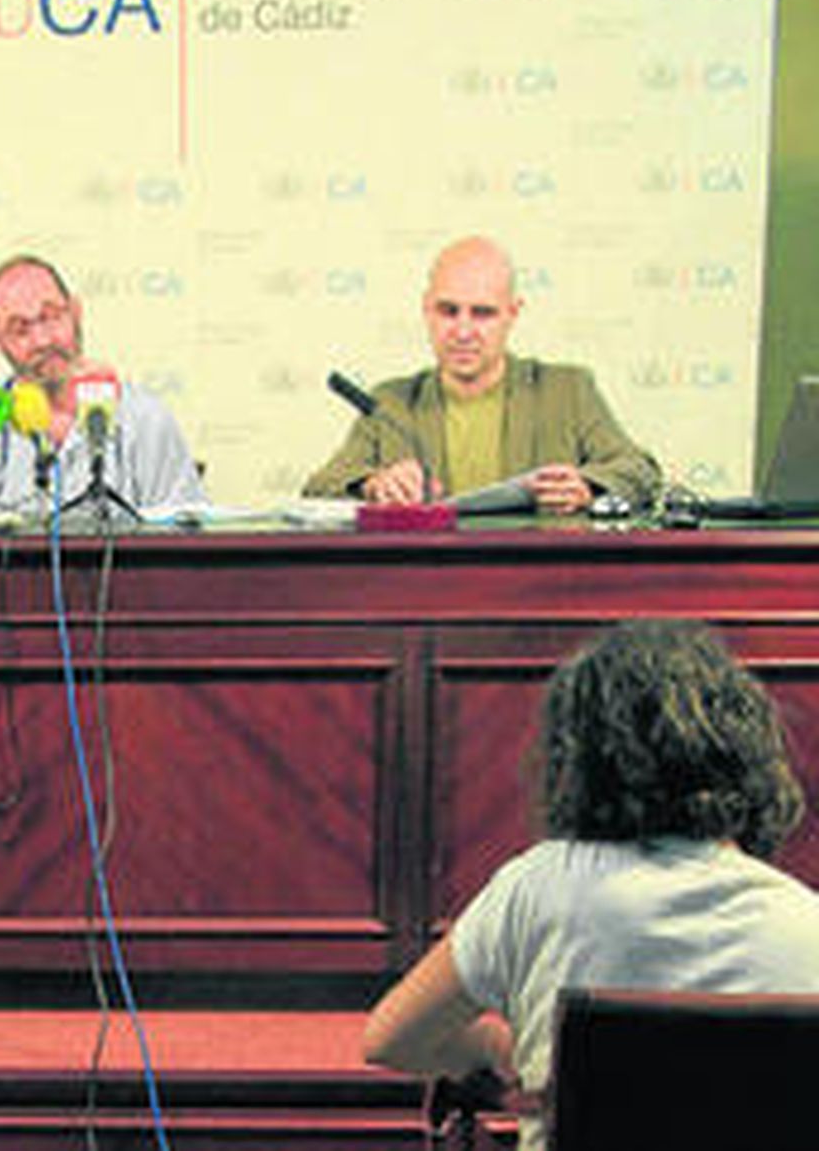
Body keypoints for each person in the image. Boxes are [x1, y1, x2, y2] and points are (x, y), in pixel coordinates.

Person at [363, 619, 819, 1151]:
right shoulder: (805, 919)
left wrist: (496, 1046)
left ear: (578, 760)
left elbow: (392, 1040)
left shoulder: (536, 888)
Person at [303, 237, 661, 513]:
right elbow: (320, 488)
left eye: (482, 314)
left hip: (537, 592)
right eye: (448, 311)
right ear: (426, 310)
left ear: (512, 313)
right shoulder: (389, 404)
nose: (462, 331)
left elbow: (641, 471)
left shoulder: (567, 390)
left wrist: (589, 486)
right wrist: (372, 485)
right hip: (421, 593)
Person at [0, 254, 207, 518]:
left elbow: (187, 538)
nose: (42, 340)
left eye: (51, 317)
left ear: (76, 312)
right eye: (19, 329)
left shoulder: (144, 419)